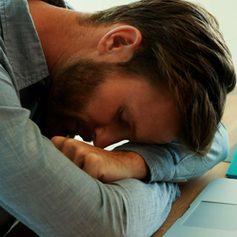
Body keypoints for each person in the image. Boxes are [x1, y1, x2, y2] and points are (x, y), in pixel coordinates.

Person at [0, 0, 236, 236]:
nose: (101, 144)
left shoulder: (74, 45)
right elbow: (103, 227)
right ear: (118, 42)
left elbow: (217, 139)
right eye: (122, 117)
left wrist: (133, 162)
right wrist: (169, 184)